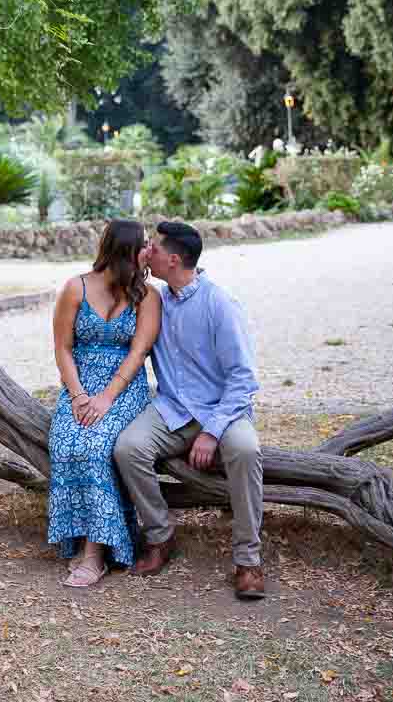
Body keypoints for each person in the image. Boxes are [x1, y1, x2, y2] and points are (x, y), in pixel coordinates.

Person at [114, 220, 265, 600]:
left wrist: (213, 431)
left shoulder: (219, 304)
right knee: (128, 449)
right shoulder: (154, 300)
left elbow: (243, 379)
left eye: (154, 248)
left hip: (224, 411)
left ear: (174, 259)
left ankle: (248, 560)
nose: (149, 252)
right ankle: (161, 536)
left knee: (246, 451)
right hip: (173, 409)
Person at [47, 219, 161, 587]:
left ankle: (94, 554)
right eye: (144, 244)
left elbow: (139, 350)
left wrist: (107, 398)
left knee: (96, 446)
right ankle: (78, 538)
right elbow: (62, 348)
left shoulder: (148, 295)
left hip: (124, 388)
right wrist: (79, 395)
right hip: (80, 385)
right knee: (66, 444)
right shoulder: (75, 287)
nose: (150, 250)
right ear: (125, 250)